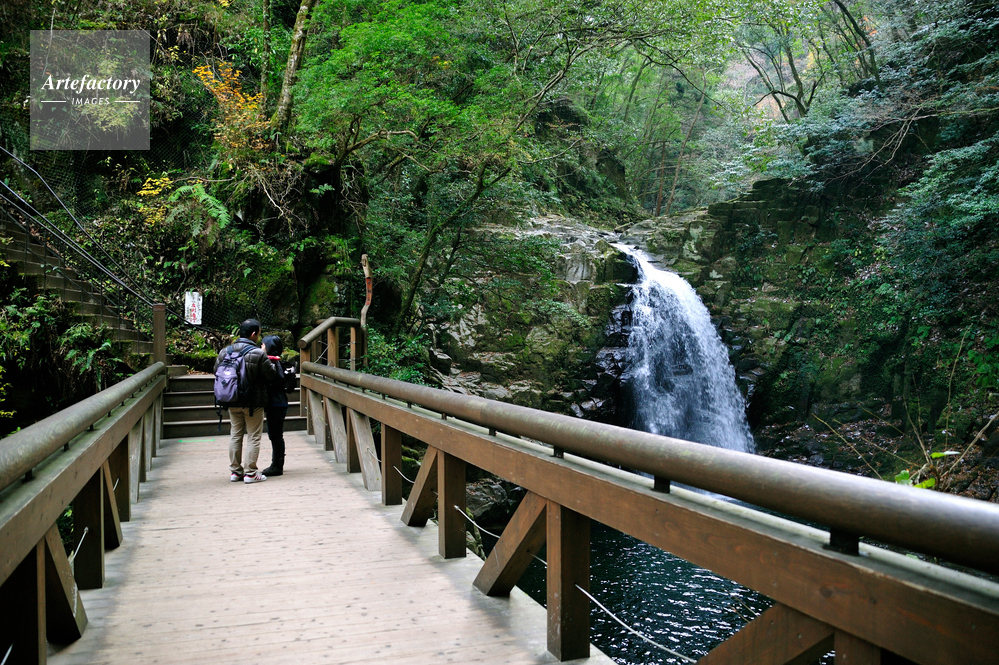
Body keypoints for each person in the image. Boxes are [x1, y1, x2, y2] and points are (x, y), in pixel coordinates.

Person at [214, 319, 278, 484]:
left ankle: (235, 472)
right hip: (253, 402)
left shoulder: (225, 351)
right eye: (259, 333)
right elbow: (270, 376)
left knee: (235, 435)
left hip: (231, 399)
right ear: (253, 334)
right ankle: (250, 473)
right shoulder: (258, 353)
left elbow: (216, 371)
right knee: (253, 436)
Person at [261, 335, 289, 477]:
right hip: (280, 402)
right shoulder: (278, 362)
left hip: (275, 403)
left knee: (275, 435)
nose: (261, 347)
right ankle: (277, 463)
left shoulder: (271, 363)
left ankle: (277, 465)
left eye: (263, 345)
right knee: (276, 434)